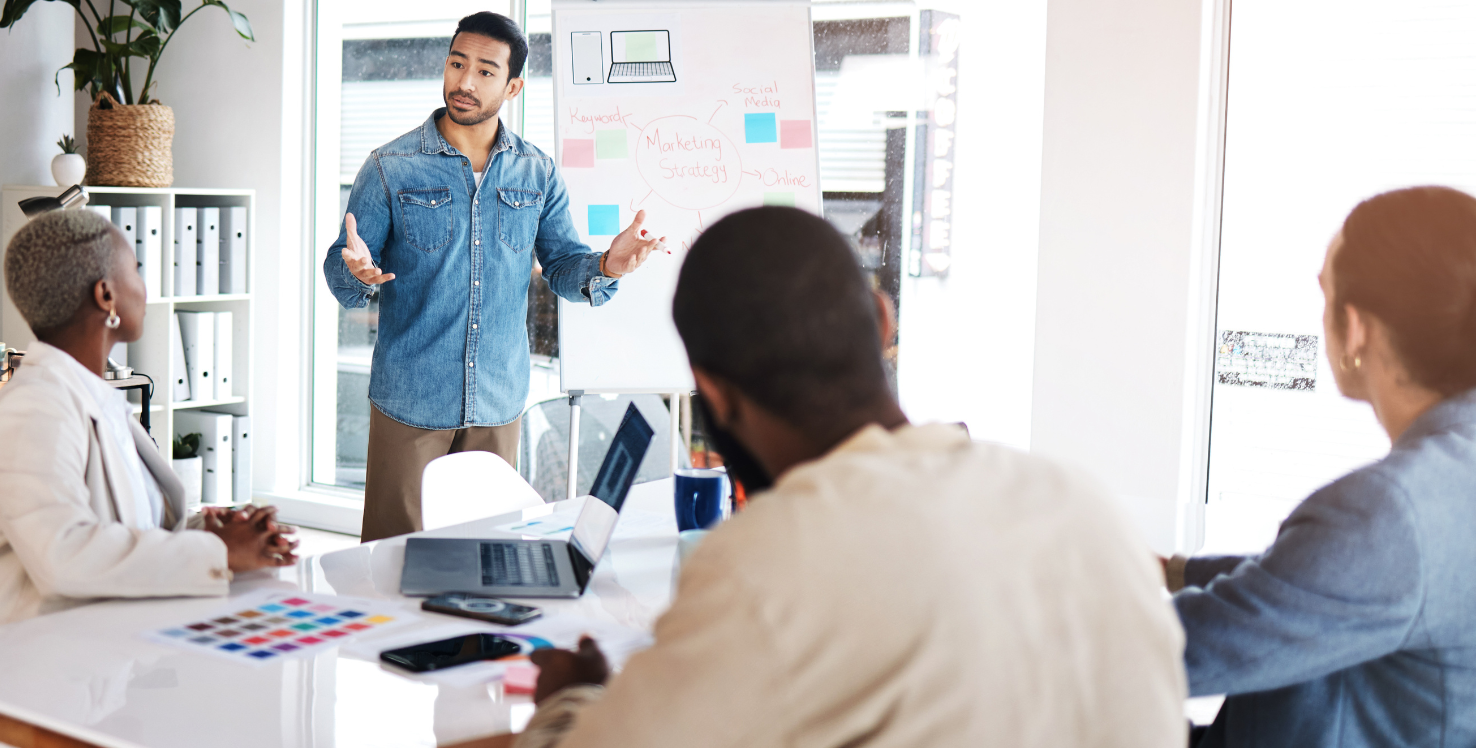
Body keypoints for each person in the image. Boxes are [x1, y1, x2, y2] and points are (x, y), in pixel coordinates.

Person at [518, 207, 1186, 748]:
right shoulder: (1080, 503)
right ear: (885, 322)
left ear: (713, 395)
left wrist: (568, 698)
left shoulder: (768, 563)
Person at [322, 11, 666, 541]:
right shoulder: (390, 166)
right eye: (457, 63)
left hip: (498, 401)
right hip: (411, 400)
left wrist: (604, 265)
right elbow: (345, 272)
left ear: (513, 85)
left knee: (488, 556)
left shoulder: (537, 171)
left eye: (485, 71)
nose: (464, 81)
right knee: (394, 561)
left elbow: (561, 265)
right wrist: (359, 274)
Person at [1167, 186, 1476, 748]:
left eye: (1324, 294)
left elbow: (1169, 654)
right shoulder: (1452, 479)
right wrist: (1174, 571)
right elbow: (1335, 583)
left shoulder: (1394, 512)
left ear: (1354, 329)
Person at [0, 209, 297, 644]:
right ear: (106, 295)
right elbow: (64, 555)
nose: (144, 287)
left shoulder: (97, 396)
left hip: (87, 650)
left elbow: (126, 527)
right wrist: (218, 553)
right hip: (3, 661)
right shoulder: (32, 410)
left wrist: (215, 532)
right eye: (137, 271)